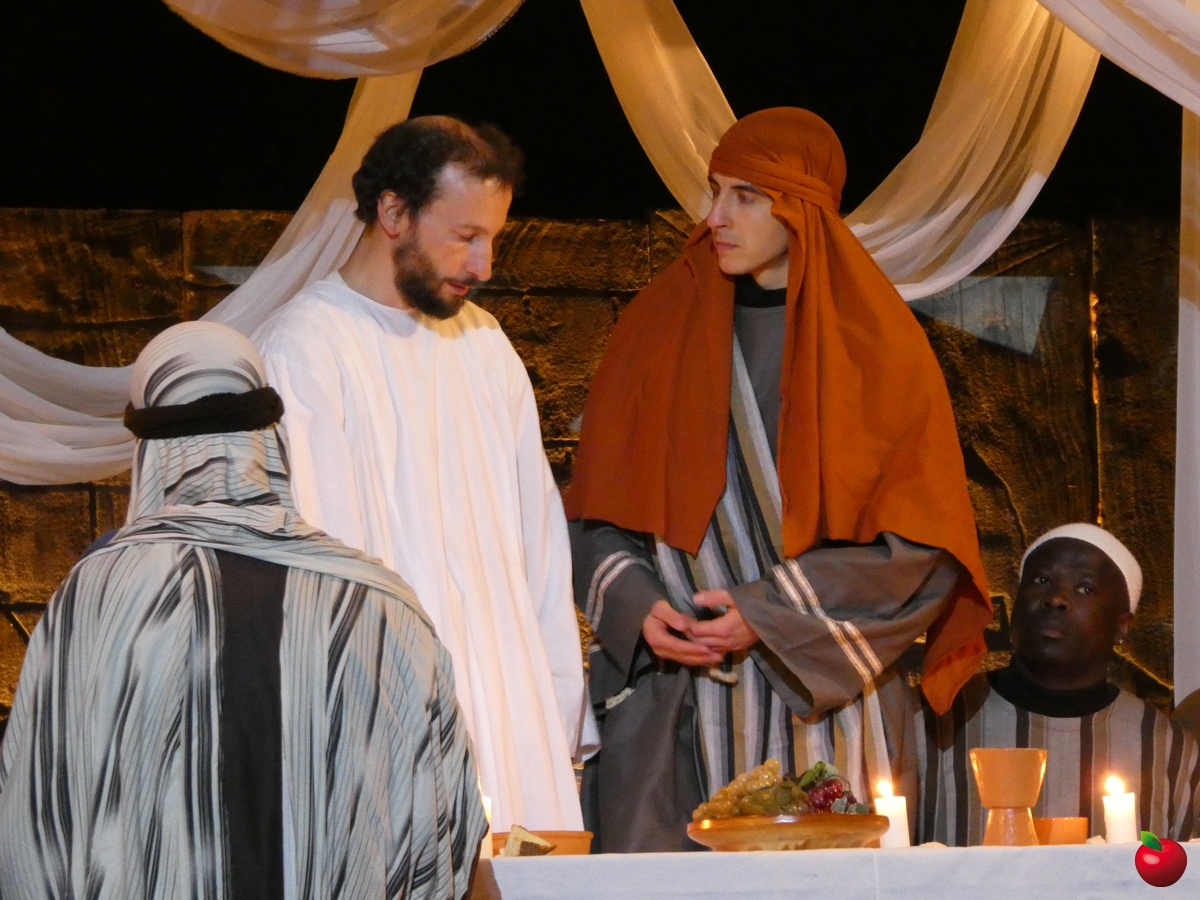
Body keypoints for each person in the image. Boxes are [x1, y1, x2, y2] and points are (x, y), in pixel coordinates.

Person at [566, 107, 993, 852]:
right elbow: (593, 507)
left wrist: (767, 610)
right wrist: (640, 606)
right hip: (676, 701)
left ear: (800, 209)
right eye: (715, 192)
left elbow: (922, 548)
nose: (716, 217)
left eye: (746, 196)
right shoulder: (652, 329)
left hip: (824, 697)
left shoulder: (878, 347)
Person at [0, 322, 486, 899]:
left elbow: (35, 824)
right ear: (270, 436)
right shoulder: (381, 604)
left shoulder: (98, 599)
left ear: (148, 450)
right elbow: (446, 825)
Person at [253, 116, 591, 832]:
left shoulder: (485, 346)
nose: (484, 265)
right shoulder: (302, 351)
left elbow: (538, 547)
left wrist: (555, 706)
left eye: (492, 239)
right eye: (465, 236)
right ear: (393, 212)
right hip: (385, 726)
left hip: (504, 710)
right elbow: (318, 575)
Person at [917, 523, 1200, 844]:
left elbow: (1182, 869)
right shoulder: (936, 718)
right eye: (1041, 580)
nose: (1056, 599)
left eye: (1085, 589)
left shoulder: (1166, 746)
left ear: (1122, 626)